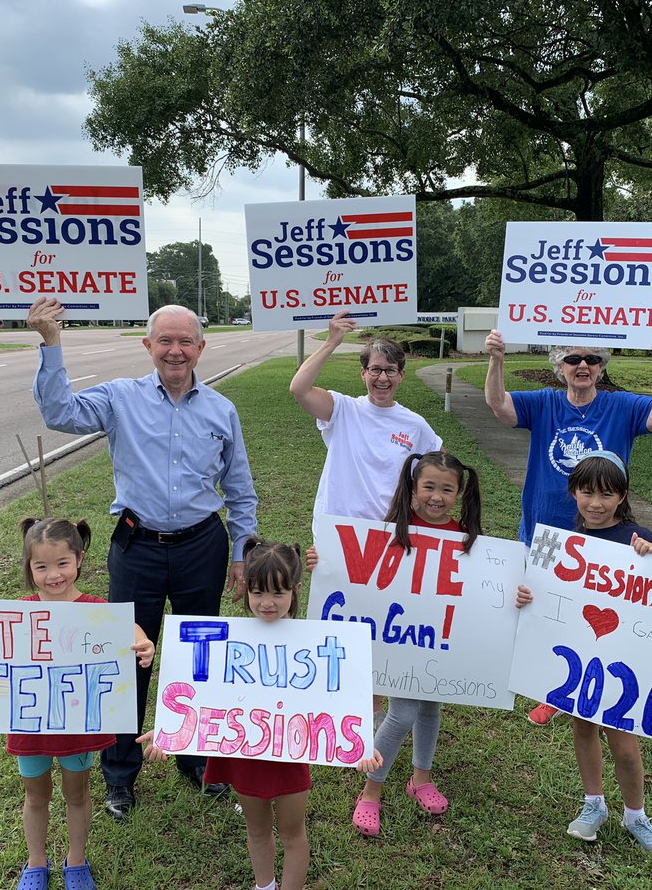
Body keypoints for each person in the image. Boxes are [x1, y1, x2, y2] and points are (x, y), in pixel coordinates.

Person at [28, 298, 259, 819]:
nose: (175, 350)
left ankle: (198, 759)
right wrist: (51, 342)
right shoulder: (120, 399)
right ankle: (121, 772)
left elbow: (240, 490)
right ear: (148, 346)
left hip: (204, 545)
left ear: (200, 347)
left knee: (200, 657)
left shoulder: (221, 410)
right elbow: (60, 411)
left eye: (185, 341)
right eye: (165, 341)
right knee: (125, 660)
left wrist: (242, 551)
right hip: (138, 548)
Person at [0, 518, 156, 890]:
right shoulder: (16, 614)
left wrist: (144, 643)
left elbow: (128, 628)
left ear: (79, 559)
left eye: (62, 564)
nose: (53, 575)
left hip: (77, 724)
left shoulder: (95, 609)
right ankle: (36, 861)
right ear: (29, 568)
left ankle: (76, 860)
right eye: (41, 566)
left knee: (77, 794)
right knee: (35, 795)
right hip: (30, 724)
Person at [138, 537, 382, 890]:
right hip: (244, 753)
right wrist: (168, 732)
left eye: (278, 593)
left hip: (290, 753)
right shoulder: (226, 641)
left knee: (292, 832)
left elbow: (338, 699)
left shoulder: (315, 641)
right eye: (258, 593)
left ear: (295, 590)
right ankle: (264, 885)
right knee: (256, 829)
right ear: (246, 590)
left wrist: (360, 745)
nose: (267, 603)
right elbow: (201, 693)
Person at [484, 330, 652, 724]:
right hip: (543, 528)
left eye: (592, 359)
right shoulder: (544, 402)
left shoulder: (621, 405)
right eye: (573, 359)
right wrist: (496, 359)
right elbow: (500, 406)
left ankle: (572, 688)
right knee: (541, 608)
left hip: (600, 533)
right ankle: (547, 683)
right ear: (560, 366)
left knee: (588, 614)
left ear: (603, 366)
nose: (583, 366)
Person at [515, 453, 652, 860]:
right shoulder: (567, 541)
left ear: (622, 496)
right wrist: (527, 596)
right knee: (583, 729)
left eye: (607, 494)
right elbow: (551, 597)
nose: (596, 502)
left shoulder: (638, 539)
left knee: (624, 744)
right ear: (573, 493)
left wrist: (651, 553)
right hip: (583, 661)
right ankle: (594, 803)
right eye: (587, 492)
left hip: (623, 663)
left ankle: (636, 815)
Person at [290, 311, 441, 728]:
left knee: (375, 624)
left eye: (390, 371)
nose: (382, 379)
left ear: (401, 375)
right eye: (375, 370)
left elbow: (435, 475)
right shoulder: (343, 409)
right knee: (334, 620)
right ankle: (331, 704)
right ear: (363, 373)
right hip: (338, 537)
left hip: (387, 539)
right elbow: (299, 388)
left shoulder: (415, 425)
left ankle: (371, 709)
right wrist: (331, 340)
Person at [349, 451, 482, 837]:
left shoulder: (467, 539)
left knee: (429, 708)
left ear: (459, 493)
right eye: (429, 487)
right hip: (400, 641)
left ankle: (420, 778)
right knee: (403, 712)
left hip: (440, 642)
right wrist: (324, 562)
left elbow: (483, 590)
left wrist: (515, 594)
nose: (436, 496)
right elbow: (358, 572)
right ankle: (372, 790)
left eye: (446, 489)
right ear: (413, 489)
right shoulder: (391, 531)